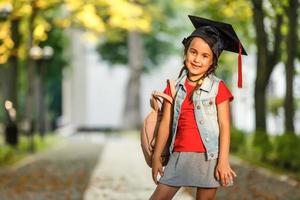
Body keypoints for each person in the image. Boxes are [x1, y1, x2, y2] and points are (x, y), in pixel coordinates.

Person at [149, 15, 247, 200]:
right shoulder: (172, 86)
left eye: (205, 56)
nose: (197, 59)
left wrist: (223, 162)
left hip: (209, 158)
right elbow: (165, 124)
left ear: (212, 61)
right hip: (178, 156)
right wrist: (156, 157)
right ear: (186, 52)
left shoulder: (218, 88)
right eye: (193, 52)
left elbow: (225, 127)